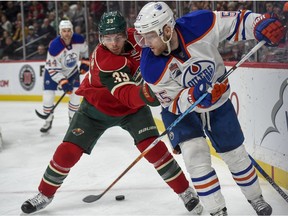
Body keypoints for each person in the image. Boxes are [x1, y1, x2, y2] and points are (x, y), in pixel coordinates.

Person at [21, 11, 203, 214]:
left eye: (117, 37)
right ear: (100, 38)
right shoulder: (105, 59)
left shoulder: (139, 37)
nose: (113, 43)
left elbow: (166, 39)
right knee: (67, 151)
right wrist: (157, 92)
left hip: (132, 111)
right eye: (107, 38)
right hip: (96, 109)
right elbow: (129, 96)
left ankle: (185, 191)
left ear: (126, 34)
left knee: (154, 149)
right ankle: (45, 194)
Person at [134, 2, 285, 216]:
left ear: (167, 30)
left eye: (149, 36)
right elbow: (172, 102)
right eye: (143, 37)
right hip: (181, 112)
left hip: (218, 101)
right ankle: (217, 211)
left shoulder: (199, 24)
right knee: (195, 155)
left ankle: (256, 198)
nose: (146, 43)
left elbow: (237, 22)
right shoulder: (150, 66)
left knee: (236, 154)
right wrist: (195, 96)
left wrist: (260, 24)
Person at [40, 19, 89, 133]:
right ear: (60, 32)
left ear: (72, 31)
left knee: (76, 96)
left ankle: (73, 120)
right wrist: (63, 82)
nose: (66, 33)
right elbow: (53, 69)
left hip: (71, 72)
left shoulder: (79, 40)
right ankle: (48, 120)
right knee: (48, 98)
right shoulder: (55, 46)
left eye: (68, 31)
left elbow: (85, 51)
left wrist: (85, 62)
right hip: (52, 72)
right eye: (64, 31)